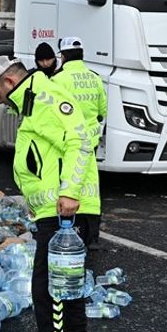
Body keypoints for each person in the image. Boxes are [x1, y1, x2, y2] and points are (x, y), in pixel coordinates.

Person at [0, 55, 98, 332]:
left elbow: (79, 140)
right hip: (58, 210)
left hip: (65, 212)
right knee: (67, 288)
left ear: (7, 82)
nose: (0, 102)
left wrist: (70, 192)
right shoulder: (33, 102)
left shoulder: (45, 98)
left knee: (49, 290)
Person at [52, 36, 108, 247]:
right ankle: (91, 235)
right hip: (90, 142)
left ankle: (68, 230)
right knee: (90, 188)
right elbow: (102, 110)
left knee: (69, 184)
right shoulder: (95, 78)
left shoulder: (58, 80)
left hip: (68, 142)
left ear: (63, 56)